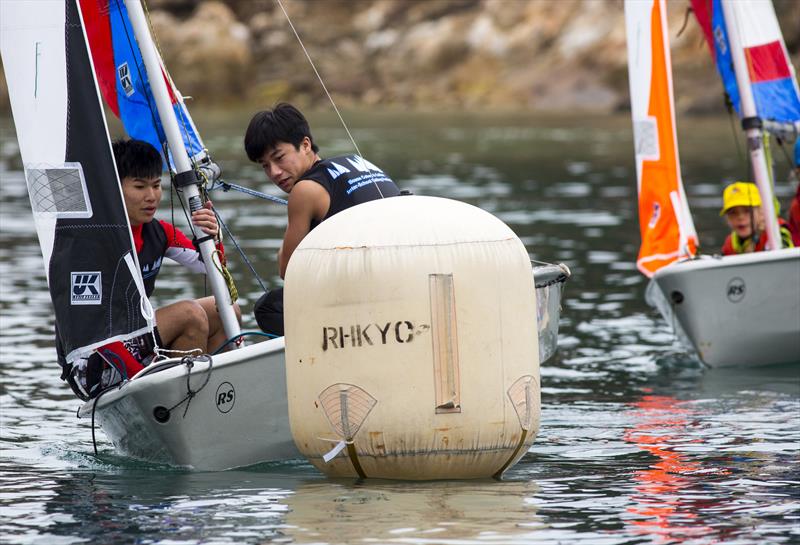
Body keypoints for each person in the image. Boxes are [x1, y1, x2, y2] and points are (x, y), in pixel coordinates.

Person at [60, 139, 241, 399]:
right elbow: (89, 330)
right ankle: (178, 398)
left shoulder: (159, 232)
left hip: (134, 343)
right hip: (91, 361)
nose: (151, 196)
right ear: (113, 188)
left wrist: (211, 235)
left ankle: (208, 396)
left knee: (227, 310)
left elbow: (211, 268)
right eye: (140, 186)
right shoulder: (91, 241)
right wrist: (141, 385)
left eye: (156, 185)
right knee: (189, 315)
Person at [244, 103, 400, 335]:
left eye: (279, 158)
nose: (274, 172)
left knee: (268, 307)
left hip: (372, 296)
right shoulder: (358, 162)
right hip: (403, 276)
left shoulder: (305, 190)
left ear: (305, 144)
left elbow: (288, 270)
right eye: (265, 165)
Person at [719, 181, 794, 255]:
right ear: (727, 219)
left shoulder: (776, 234)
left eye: (747, 211)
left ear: (762, 212)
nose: (740, 217)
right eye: (733, 213)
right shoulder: (730, 243)